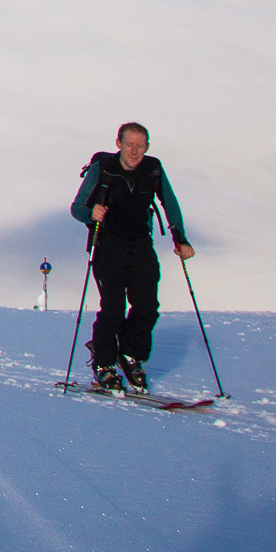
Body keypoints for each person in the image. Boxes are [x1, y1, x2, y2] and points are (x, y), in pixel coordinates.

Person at [70, 122, 194, 393]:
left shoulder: (153, 169)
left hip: (140, 244)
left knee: (147, 306)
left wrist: (180, 238)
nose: (135, 151)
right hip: (107, 246)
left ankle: (130, 355)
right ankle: (104, 363)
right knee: (113, 309)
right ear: (119, 144)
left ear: (147, 146)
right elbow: (77, 207)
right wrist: (91, 214)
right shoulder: (102, 169)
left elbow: (169, 203)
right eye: (130, 144)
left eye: (140, 145)